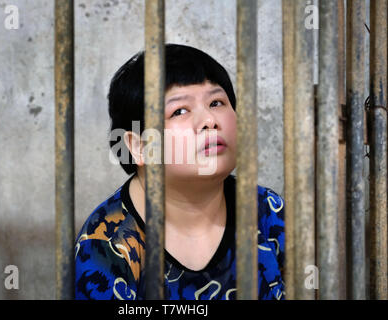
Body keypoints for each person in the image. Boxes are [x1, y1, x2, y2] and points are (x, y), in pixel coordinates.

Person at [74, 43, 285, 300]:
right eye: (180, 111)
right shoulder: (106, 243)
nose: (209, 120)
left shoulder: (268, 211)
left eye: (217, 102)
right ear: (139, 147)